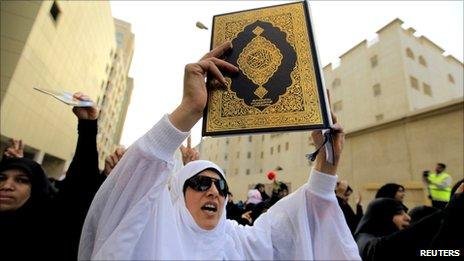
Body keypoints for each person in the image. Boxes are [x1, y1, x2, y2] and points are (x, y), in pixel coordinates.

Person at [78, 42, 360, 260]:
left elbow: (301, 222)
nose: (213, 191)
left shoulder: (237, 244)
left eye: (221, 186)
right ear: (177, 193)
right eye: (201, 183)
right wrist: (189, 110)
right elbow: (128, 198)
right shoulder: (152, 231)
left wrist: (327, 163)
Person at [0, 93, 106, 260]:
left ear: (35, 188)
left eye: (21, 180)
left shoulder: (48, 226)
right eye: (1, 178)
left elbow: (79, 187)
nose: (7, 186)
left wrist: (87, 126)